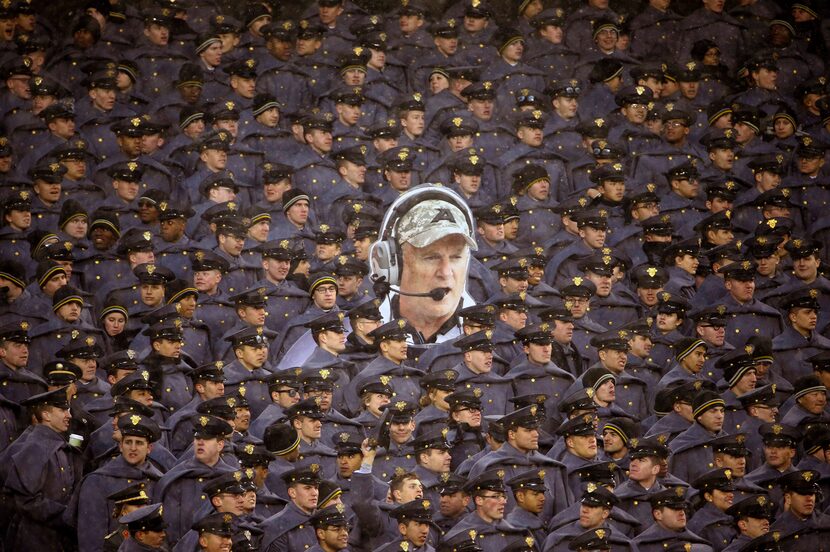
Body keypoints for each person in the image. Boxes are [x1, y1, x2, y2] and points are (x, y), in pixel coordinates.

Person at [369, 185, 478, 344]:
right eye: (431, 257)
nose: (446, 272)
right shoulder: (361, 334)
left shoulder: (493, 338)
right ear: (394, 264)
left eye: (456, 257)